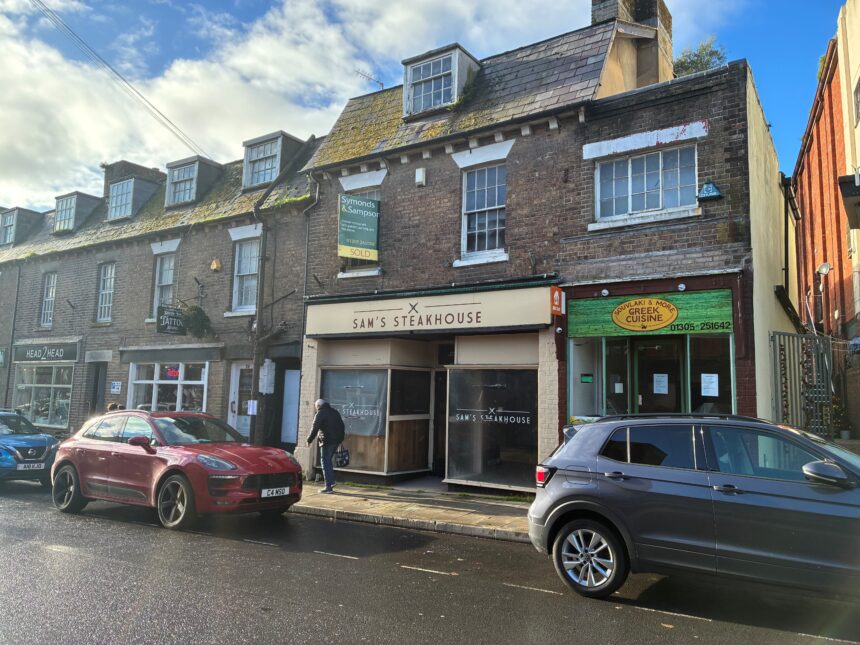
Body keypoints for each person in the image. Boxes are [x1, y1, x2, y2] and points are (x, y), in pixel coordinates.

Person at [306, 398, 345, 494]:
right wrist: (340, 439)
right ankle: (331, 482)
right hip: (335, 441)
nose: (316, 409)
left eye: (316, 407)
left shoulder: (320, 413)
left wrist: (309, 440)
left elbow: (314, 428)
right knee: (328, 461)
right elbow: (342, 426)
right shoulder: (335, 412)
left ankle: (329, 486)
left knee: (325, 462)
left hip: (326, 441)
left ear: (318, 406)